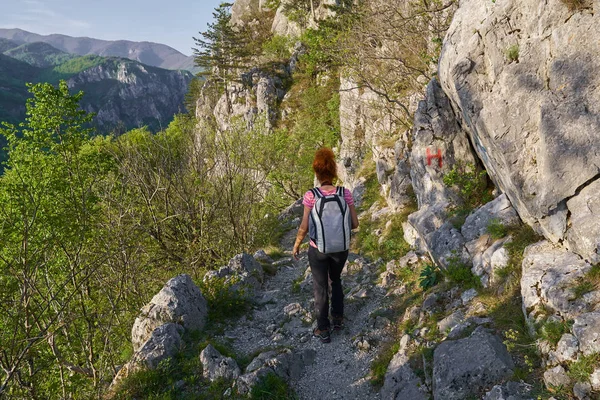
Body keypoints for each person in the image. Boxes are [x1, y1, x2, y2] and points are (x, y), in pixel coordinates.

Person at [292, 148, 359, 343]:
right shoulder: (344, 193)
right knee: (335, 279)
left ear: (317, 172)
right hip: (341, 248)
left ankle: (323, 329)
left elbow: (304, 226)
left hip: (318, 248)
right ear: (334, 171)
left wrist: (297, 244)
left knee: (320, 286)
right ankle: (337, 319)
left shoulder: (311, 196)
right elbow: (355, 224)